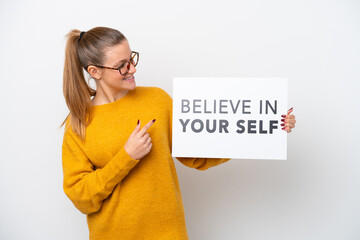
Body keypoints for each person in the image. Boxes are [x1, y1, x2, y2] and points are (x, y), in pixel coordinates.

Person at [60, 26, 296, 240]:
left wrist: (266, 129)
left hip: (168, 233)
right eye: (121, 65)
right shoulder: (79, 123)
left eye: (131, 58)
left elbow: (197, 155)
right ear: (95, 71)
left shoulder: (157, 100)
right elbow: (82, 198)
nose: (132, 68)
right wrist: (126, 157)